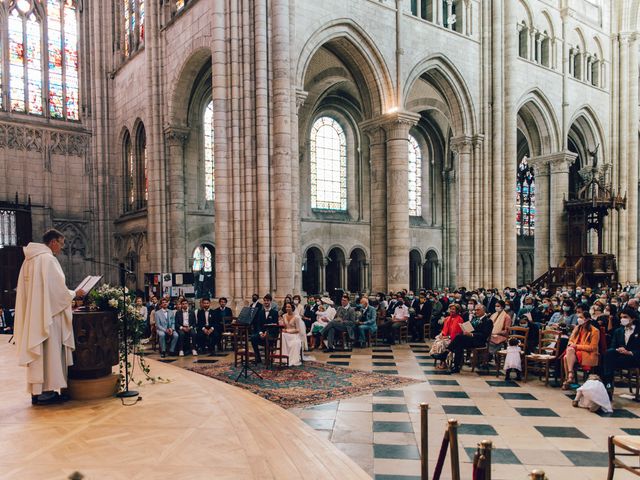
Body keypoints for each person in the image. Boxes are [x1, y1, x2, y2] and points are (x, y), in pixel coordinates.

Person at [14, 229, 85, 405]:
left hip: (35, 315)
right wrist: (75, 293)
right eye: (61, 244)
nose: (61, 248)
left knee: (40, 354)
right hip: (49, 316)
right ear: (53, 242)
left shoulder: (29, 260)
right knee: (49, 352)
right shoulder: (48, 260)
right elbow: (57, 292)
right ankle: (47, 393)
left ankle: (37, 392)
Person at [602, 307, 640, 397]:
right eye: (621, 317)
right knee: (609, 354)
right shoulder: (618, 331)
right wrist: (619, 349)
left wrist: (630, 352)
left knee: (607, 360)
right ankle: (608, 386)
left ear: (633, 318)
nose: (623, 319)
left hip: (634, 358)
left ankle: (607, 385)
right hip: (620, 357)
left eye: (625, 317)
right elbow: (613, 346)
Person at [447, 304, 493, 373]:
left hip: (479, 341)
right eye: (475, 310)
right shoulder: (475, 318)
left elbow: (484, 335)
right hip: (471, 340)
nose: (476, 311)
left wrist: (471, 334)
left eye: (478, 310)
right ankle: (456, 367)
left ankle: (446, 352)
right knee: (459, 345)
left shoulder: (488, 321)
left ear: (484, 310)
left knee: (458, 337)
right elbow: (471, 327)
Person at [562, 311, 600, 390]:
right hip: (574, 352)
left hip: (587, 354)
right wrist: (572, 345)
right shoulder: (577, 328)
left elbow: (592, 347)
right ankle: (570, 375)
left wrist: (576, 346)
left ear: (587, 319)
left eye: (581, 317)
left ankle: (568, 378)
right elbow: (570, 340)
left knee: (566, 356)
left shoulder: (594, 331)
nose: (579, 319)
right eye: (579, 317)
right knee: (569, 351)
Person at [431, 304, 463, 369]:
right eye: (451, 309)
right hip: (445, 336)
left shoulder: (460, 319)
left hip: (453, 339)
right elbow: (444, 330)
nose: (451, 310)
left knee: (442, 343)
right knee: (437, 341)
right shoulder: (448, 318)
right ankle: (440, 358)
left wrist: (448, 337)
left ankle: (442, 361)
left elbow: (458, 333)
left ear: (457, 310)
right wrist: (442, 335)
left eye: (453, 309)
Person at [250, 294, 279, 364]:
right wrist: (260, 333)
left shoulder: (275, 313)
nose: (266, 302)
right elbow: (258, 324)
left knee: (267, 338)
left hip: (271, 333)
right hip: (262, 333)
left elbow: (275, 325)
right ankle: (258, 358)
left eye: (268, 301)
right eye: (265, 301)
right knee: (253, 338)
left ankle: (267, 359)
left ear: (270, 302)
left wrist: (267, 333)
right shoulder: (260, 312)